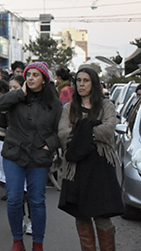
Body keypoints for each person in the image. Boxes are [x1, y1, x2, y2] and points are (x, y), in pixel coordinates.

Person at [0, 61, 62, 251]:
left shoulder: (54, 104)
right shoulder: (16, 97)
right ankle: (17, 240)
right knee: (14, 198)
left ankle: (38, 243)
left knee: (37, 200)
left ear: (44, 79)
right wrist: (18, 93)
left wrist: (50, 145)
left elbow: (61, 130)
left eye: (35, 75)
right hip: (14, 154)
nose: (30, 78)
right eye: (28, 75)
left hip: (39, 156)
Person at [58, 67, 123, 251]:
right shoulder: (69, 107)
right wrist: (89, 132)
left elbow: (109, 129)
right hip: (77, 169)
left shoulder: (106, 105)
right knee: (81, 216)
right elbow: (63, 133)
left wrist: (81, 132)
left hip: (100, 169)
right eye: (78, 80)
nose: (81, 84)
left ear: (94, 83)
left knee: (103, 217)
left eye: (86, 80)